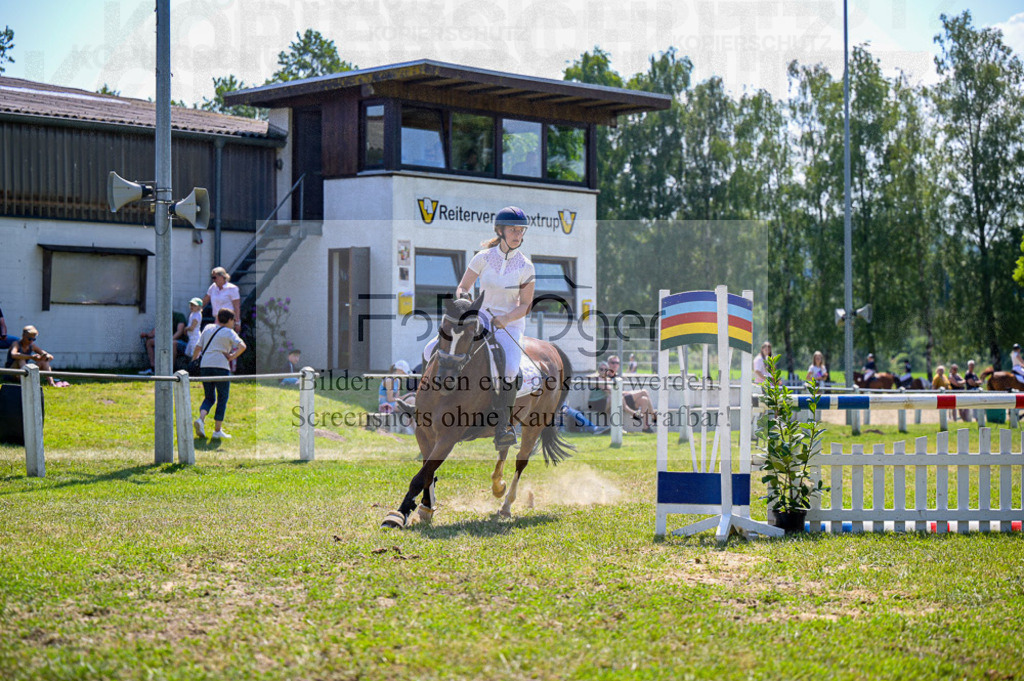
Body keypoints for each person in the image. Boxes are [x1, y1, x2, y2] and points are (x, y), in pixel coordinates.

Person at [421, 207, 535, 449]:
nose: (518, 234)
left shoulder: (526, 266)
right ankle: (423, 403)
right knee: (430, 347)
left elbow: (525, 304)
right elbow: (463, 287)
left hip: (509, 326)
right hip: (478, 318)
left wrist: (505, 319)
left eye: (521, 230)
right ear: (500, 231)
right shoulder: (482, 258)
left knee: (511, 369)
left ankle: (503, 426)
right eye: (513, 230)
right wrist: (465, 305)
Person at [192, 309, 246, 440]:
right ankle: (217, 430)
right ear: (229, 320)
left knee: (209, 397)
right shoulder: (229, 332)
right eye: (234, 320)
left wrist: (194, 362)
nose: (234, 323)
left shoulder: (208, 328)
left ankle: (201, 419)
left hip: (205, 365)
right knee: (222, 397)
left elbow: (198, 347)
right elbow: (242, 346)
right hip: (221, 366)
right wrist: (232, 356)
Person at [607, 355, 658, 431]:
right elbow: (611, 391)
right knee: (644, 392)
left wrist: (625, 392)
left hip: (625, 400)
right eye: (613, 363)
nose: (615, 365)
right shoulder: (606, 375)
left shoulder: (618, 375)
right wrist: (626, 392)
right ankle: (653, 416)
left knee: (644, 399)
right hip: (616, 401)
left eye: (617, 363)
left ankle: (646, 428)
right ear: (609, 364)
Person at [203, 267, 241, 333]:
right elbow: (205, 300)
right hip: (217, 319)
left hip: (229, 320)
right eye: (212, 278)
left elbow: (236, 307)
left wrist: (237, 322)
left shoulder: (232, 288)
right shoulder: (213, 287)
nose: (213, 280)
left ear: (222, 277)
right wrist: (196, 307)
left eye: (215, 277)